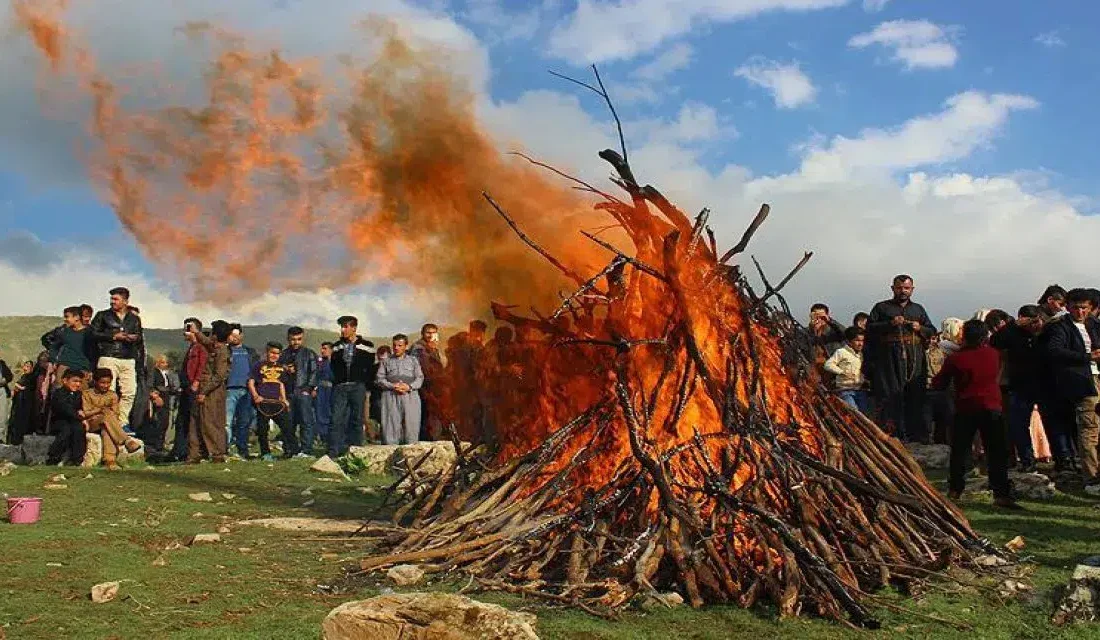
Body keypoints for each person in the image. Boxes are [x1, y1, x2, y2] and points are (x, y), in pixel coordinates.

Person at [932, 320, 1020, 509]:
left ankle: (955, 489)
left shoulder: (956, 359)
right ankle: (1001, 493)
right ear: (985, 336)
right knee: (996, 452)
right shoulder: (994, 355)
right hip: (992, 406)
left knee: (960, 451)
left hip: (965, 407)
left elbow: (939, 383)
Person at [866, 275, 935, 442]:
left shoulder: (918, 309)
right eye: (899, 288)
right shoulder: (881, 307)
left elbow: (931, 330)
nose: (903, 291)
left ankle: (916, 434)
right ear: (893, 288)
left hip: (914, 357)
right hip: (889, 357)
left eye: (906, 288)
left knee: (915, 393)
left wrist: (920, 328)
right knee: (890, 394)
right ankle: (892, 434)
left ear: (912, 289)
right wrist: (890, 324)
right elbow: (869, 329)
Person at [1044, 288, 1100, 491]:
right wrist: (1087, 357)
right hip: (1082, 381)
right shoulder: (1061, 327)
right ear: (1068, 307)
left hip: (1095, 376)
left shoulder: (1093, 324)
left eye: (1084, 308)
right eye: (1076, 308)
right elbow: (1054, 351)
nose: (1080, 312)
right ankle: (1091, 477)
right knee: (1089, 427)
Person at [990, 305, 1046, 473]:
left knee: (1052, 423)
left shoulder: (1043, 333)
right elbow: (995, 342)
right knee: (1018, 424)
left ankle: (1064, 460)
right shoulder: (1011, 333)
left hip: (1044, 384)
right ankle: (1027, 460)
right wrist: (1014, 325)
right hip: (1019, 385)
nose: (1033, 325)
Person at [89, 287, 143, 427]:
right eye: (111, 299)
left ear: (125, 301)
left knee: (129, 392)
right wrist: (113, 336)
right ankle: (108, 420)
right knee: (107, 391)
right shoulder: (102, 315)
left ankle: (122, 421)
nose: (112, 302)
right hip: (108, 356)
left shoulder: (134, 319)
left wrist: (133, 338)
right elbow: (92, 334)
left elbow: (139, 339)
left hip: (128, 358)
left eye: (116, 299)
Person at [328, 316, 375, 458]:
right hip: (340, 387)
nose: (343, 330)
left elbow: (370, 369)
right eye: (341, 327)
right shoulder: (336, 346)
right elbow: (333, 366)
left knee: (357, 419)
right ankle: (333, 451)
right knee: (336, 419)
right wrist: (337, 381)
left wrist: (365, 385)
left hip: (358, 386)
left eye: (345, 326)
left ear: (354, 328)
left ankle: (356, 451)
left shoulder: (367, 345)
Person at [187, 320, 231, 464]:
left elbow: (219, 376)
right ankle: (195, 454)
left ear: (216, 335)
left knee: (210, 422)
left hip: (212, 391)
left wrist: (204, 392)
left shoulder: (222, 351)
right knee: (196, 421)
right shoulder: (214, 346)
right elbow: (206, 340)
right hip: (206, 388)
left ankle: (217, 453)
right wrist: (196, 332)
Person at [82, 368, 143, 470]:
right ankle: (126, 440)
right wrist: (100, 410)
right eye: (102, 383)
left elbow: (115, 413)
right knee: (106, 414)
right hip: (91, 422)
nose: (105, 386)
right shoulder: (87, 394)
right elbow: (86, 412)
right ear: (96, 382)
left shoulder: (112, 395)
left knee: (106, 429)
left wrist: (105, 412)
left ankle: (110, 461)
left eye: (108, 383)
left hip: (107, 423)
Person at [168, 318, 206, 462]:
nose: (185, 331)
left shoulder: (200, 347)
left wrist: (196, 381)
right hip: (185, 387)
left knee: (192, 419)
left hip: (192, 386)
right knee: (182, 419)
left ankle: (191, 451)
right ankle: (179, 450)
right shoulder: (191, 348)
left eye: (189, 328)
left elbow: (201, 365)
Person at [376, 334, 424, 445]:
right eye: (394, 345)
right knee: (390, 425)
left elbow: (420, 378)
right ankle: (390, 453)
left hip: (410, 395)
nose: (396, 348)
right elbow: (380, 378)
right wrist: (393, 386)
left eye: (400, 345)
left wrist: (409, 386)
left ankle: (411, 453)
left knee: (411, 425)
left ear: (406, 346)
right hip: (391, 395)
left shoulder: (413, 361)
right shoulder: (386, 361)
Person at [248, 342, 291, 462]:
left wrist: (284, 399)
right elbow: (251, 382)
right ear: (266, 352)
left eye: (277, 353)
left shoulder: (281, 368)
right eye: (272, 352)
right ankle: (266, 453)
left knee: (286, 427)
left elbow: (281, 384)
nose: (274, 355)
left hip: (277, 403)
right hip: (263, 403)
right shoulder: (258, 365)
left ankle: (290, 451)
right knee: (262, 429)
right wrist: (256, 396)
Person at [279, 326, 318, 457]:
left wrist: (308, 389)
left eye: (299, 339)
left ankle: (306, 450)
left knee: (306, 421)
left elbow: (314, 372)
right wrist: (285, 370)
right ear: (288, 339)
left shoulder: (309, 353)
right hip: (288, 393)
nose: (296, 342)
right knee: (288, 423)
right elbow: (278, 374)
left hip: (303, 391)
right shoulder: (283, 355)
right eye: (293, 339)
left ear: (303, 338)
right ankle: (290, 449)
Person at [925, 318, 963, 445]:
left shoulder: (946, 348)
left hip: (942, 389)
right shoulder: (946, 347)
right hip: (933, 389)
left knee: (943, 422)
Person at [225, 325, 260, 459]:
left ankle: (242, 449)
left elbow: (256, 370)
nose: (233, 338)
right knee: (227, 422)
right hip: (229, 390)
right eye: (231, 335)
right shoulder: (225, 351)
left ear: (241, 335)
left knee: (244, 422)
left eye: (236, 335)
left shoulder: (250, 352)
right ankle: (224, 449)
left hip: (247, 391)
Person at [410, 323, 445, 441]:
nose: (430, 335)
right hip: (424, 387)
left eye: (433, 333)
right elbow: (422, 367)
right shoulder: (418, 348)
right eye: (428, 333)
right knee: (426, 415)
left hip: (435, 388)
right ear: (423, 334)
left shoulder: (433, 348)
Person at [45, 370, 87, 466]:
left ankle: (77, 459)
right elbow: (64, 408)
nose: (77, 384)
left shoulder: (79, 394)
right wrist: (79, 415)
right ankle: (54, 456)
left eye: (80, 382)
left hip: (74, 420)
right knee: (66, 431)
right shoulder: (58, 393)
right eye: (75, 381)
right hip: (59, 421)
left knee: (78, 429)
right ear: (65, 381)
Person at [823, 327, 870, 414]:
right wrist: (842, 372)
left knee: (864, 413)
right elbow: (828, 364)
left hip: (859, 390)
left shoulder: (861, 354)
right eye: (857, 340)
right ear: (849, 341)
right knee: (853, 413)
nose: (860, 344)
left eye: (862, 341)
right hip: (845, 390)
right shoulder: (841, 352)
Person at [809, 303, 845, 370]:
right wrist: (812, 330)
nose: (819, 319)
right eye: (817, 316)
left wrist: (829, 321)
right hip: (815, 370)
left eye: (822, 317)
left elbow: (846, 334)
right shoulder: (806, 332)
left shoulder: (834, 331)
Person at [314, 342, 334, 445]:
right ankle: (323, 436)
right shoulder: (319, 362)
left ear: (331, 350)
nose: (322, 351)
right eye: (322, 348)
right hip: (321, 390)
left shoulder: (336, 362)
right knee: (320, 413)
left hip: (332, 390)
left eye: (325, 348)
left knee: (331, 413)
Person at [0, 355, 12, 443]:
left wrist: (5, 380)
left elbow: (9, 376)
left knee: (2, 414)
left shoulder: (1, 363)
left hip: (1, 390)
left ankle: (1, 437)